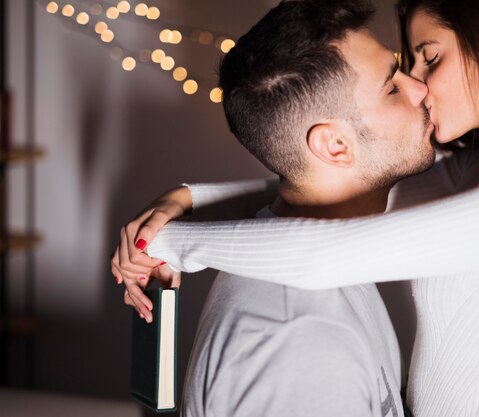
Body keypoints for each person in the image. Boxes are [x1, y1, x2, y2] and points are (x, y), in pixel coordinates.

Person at [112, 0, 479, 416]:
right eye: (404, 70)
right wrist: (187, 199)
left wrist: (172, 242)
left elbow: (326, 249)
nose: (419, 85)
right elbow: (332, 193)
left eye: (429, 56)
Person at [125, 1, 441, 415]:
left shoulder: (328, 256)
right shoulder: (301, 340)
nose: (421, 87)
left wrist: (187, 200)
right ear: (335, 146)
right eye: (393, 88)